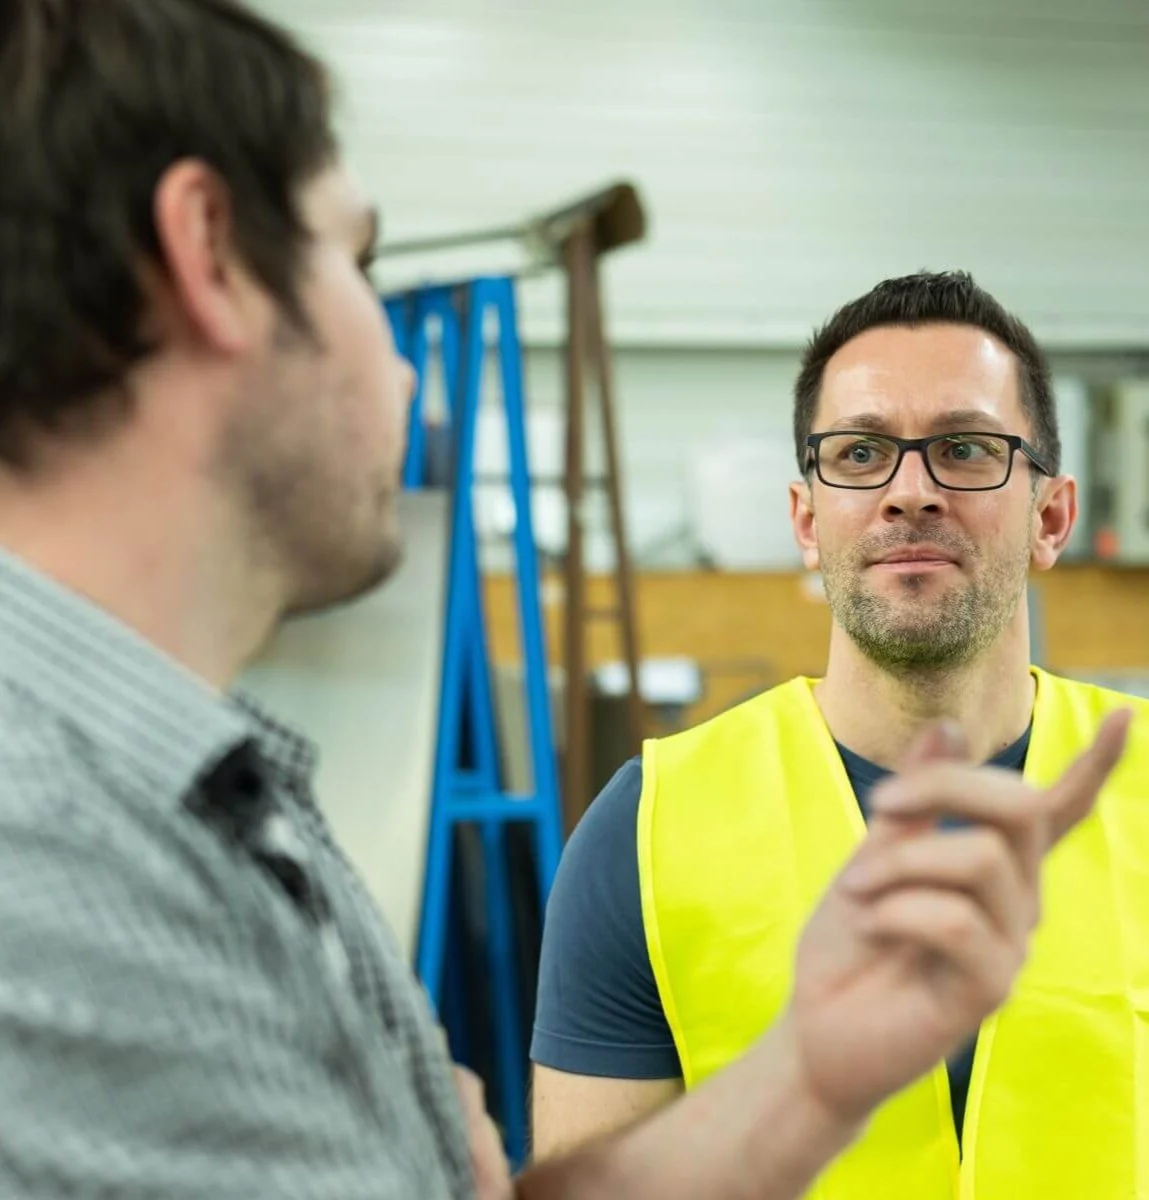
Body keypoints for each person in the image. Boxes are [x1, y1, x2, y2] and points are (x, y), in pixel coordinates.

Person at [0, 3, 1131, 1197]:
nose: (398, 362)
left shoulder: (217, 811)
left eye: (962, 453)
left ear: (1047, 510)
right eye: (362, 264)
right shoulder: (55, 873)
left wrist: (801, 1080)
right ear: (211, 254)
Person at [530, 271, 1149, 1198]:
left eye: (966, 448)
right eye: (859, 454)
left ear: (1050, 517)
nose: (909, 491)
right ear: (806, 519)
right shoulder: (647, 831)